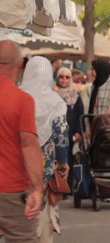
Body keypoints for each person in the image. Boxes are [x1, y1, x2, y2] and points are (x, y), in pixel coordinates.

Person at [20, 56, 70, 243]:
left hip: (17, 166)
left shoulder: (18, 97)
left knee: (20, 212)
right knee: (43, 210)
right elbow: (61, 137)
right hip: (45, 169)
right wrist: (63, 163)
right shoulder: (55, 102)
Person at [0, 40, 44, 243]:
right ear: (20, 65)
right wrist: (37, 188)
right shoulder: (22, 100)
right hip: (11, 190)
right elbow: (29, 144)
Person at [53, 67, 84, 192]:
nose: (64, 80)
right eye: (61, 77)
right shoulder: (52, 94)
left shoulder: (75, 96)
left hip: (70, 133)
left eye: (67, 77)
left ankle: (67, 187)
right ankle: (56, 186)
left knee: (68, 161)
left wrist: (78, 131)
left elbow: (80, 114)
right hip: (54, 132)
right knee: (55, 160)